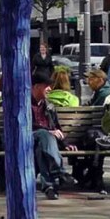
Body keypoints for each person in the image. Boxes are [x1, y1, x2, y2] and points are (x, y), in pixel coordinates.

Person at [31, 71, 77, 199]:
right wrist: (49, 132)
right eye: (46, 86)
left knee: (41, 150)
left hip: (45, 143)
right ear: (36, 87)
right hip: (28, 138)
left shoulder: (49, 106)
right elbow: (25, 127)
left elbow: (57, 127)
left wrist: (65, 144)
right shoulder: (24, 104)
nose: (50, 89)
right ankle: (60, 172)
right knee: (43, 134)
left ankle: (49, 187)